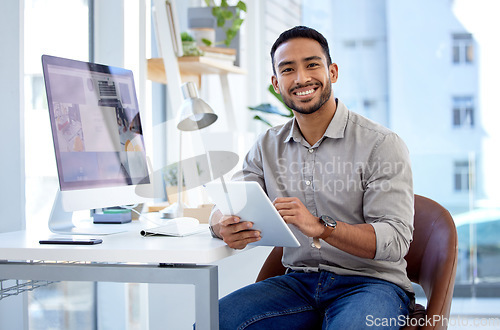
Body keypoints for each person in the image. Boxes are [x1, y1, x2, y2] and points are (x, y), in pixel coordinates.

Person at [209, 26, 415, 329]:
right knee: (212, 321)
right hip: (298, 283)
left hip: (372, 284)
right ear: (276, 84)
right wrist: (220, 224)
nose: (302, 78)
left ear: (332, 71)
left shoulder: (380, 144)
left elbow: (395, 239)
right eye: (288, 69)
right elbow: (231, 202)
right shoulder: (267, 145)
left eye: (312, 64)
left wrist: (321, 227)